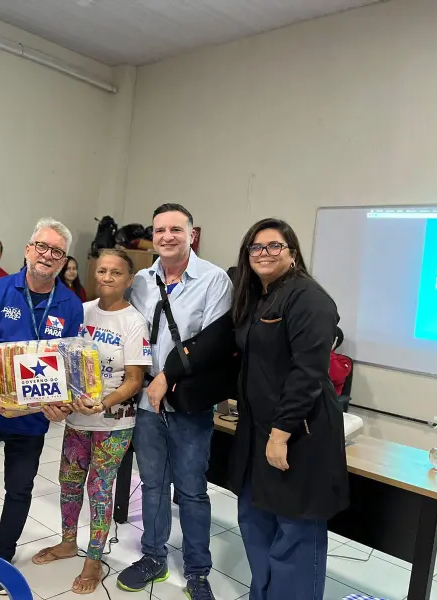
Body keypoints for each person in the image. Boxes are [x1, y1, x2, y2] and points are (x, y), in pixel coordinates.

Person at [0, 218, 83, 593]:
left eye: (57, 251)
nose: (47, 255)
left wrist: (63, 403)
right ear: (29, 249)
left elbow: (69, 365)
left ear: (64, 260)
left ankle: (2, 556)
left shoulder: (71, 305)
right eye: (41, 246)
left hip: (31, 421)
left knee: (19, 489)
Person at [229, 218, 349, 600]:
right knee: (255, 521)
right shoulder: (257, 297)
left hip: (298, 435)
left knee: (295, 532)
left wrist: (280, 434)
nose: (264, 253)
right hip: (256, 433)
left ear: (292, 253)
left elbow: (308, 372)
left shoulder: (309, 298)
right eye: (256, 247)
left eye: (274, 245)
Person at [118, 203, 232, 599]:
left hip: (188, 400)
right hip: (146, 400)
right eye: (160, 230)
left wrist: (168, 376)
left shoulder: (214, 280)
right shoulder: (141, 281)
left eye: (176, 230)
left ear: (191, 235)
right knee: (152, 484)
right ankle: (153, 557)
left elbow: (213, 344)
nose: (167, 237)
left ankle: (198, 571)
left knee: (191, 490)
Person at [32, 249, 151, 594]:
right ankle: (68, 542)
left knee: (99, 491)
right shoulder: (80, 312)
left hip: (113, 423)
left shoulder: (134, 321)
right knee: (68, 483)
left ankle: (94, 560)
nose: (107, 277)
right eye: (102, 271)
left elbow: (134, 380)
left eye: (116, 272)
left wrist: (102, 404)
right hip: (77, 420)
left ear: (129, 280)